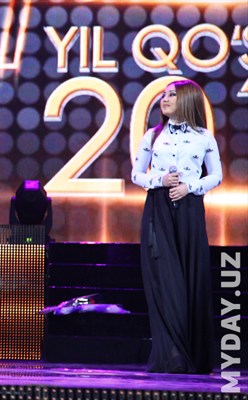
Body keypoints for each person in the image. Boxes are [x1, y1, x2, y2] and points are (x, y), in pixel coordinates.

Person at [131, 79, 222, 374]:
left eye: (172, 94)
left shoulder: (204, 137)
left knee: (191, 279)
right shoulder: (153, 135)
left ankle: (194, 354)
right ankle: (172, 356)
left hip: (190, 208)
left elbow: (216, 175)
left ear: (187, 100)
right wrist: (159, 180)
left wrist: (189, 187)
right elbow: (136, 174)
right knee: (166, 281)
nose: (165, 99)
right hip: (159, 209)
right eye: (164, 95)